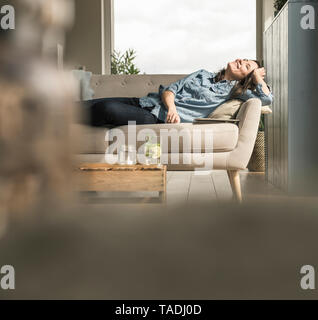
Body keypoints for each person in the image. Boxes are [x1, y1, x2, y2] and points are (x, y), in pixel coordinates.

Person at [83, 59, 273, 127]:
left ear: (244, 78)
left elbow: (266, 99)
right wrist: (172, 106)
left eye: (246, 65)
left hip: (154, 117)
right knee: (88, 103)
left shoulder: (234, 92)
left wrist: (256, 76)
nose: (241, 60)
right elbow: (170, 90)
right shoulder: (202, 74)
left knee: (106, 108)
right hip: (144, 102)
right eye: (244, 59)